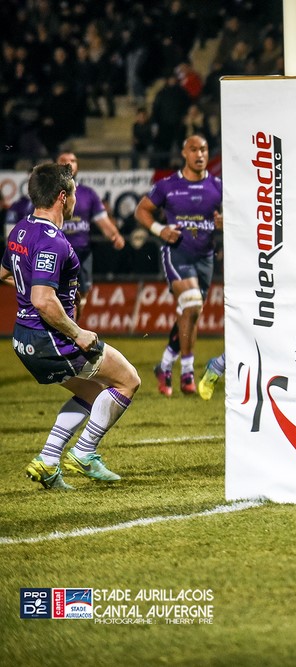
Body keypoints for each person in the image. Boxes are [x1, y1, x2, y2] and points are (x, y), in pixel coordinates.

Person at [2, 162, 141, 490]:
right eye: (75, 190)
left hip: (23, 338)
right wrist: (77, 332)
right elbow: (42, 299)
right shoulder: (53, 240)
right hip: (51, 338)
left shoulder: (21, 228)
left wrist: (42, 291)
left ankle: (49, 461)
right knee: (127, 381)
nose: (78, 196)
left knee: (93, 393)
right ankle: (85, 452)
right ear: (63, 197)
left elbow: (6, 275)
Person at [135, 135, 223, 397]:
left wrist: (222, 222)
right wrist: (160, 230)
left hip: (205, 257)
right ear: (184, 153)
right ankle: (187, 372)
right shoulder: (168, 185)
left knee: (191, 313)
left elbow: (230, 217)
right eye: (194, 149)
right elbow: (142, 210)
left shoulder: (218, 186)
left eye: (204, 149)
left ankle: (163, 366)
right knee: (193, 304)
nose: (200, 154)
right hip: (177, 254)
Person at [55, 151, 125, 320]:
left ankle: (72, 331)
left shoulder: (88, 193)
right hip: (56, 251)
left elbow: (102, 220)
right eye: (64, 161)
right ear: (56, 165)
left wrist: (115, 235)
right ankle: (64, 335)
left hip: (82, 253)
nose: (69, 164)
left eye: (73, 160)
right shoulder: (48, 192)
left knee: (81, 296)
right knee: (58, 295)